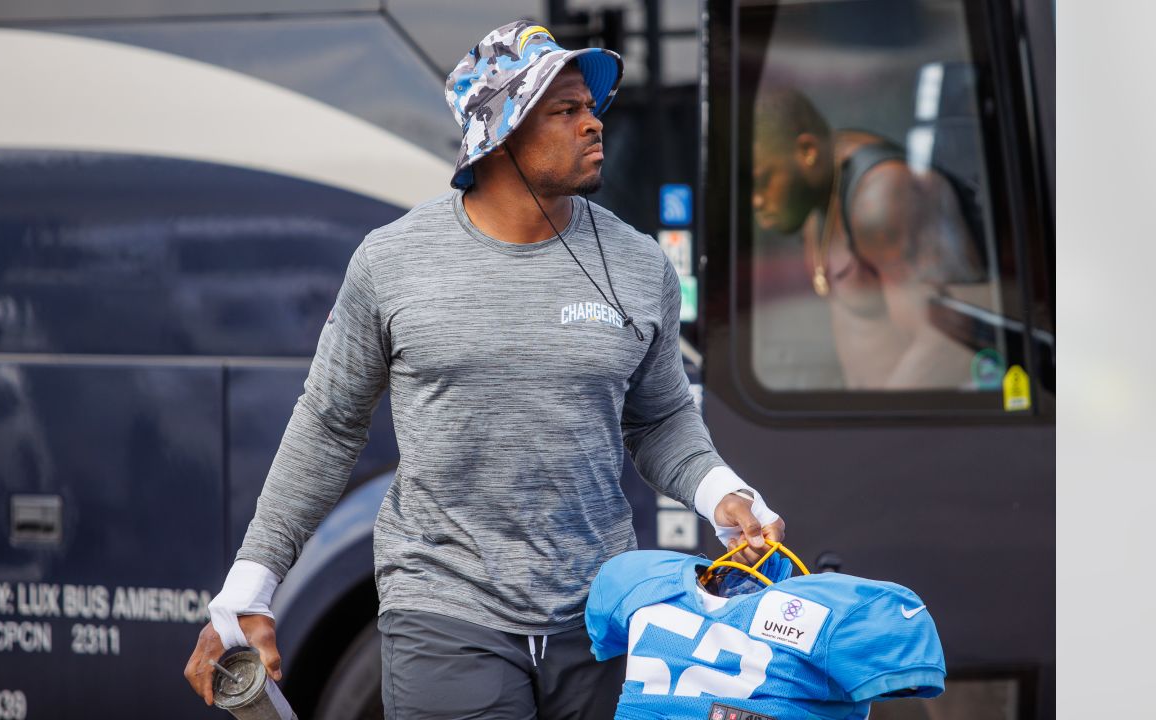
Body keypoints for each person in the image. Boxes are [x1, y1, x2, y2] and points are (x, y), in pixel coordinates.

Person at [184, 21, 786, 719]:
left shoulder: (637, 263)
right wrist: (248, 591)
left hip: (601, 616)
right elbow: (325, 427)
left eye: (592, 108)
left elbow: (660, 419)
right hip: (444, 613)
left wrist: (723, 493)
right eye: (566, 110)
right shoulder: (393, 262)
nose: (594, 124)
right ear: (499, 133)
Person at [751, 87, 984, 390]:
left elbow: (949, 343)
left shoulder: (881, 198)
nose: (755, 201)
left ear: (807, 151)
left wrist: (874, 428)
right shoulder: (815, 199)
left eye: (761, 181)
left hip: (914, 428)